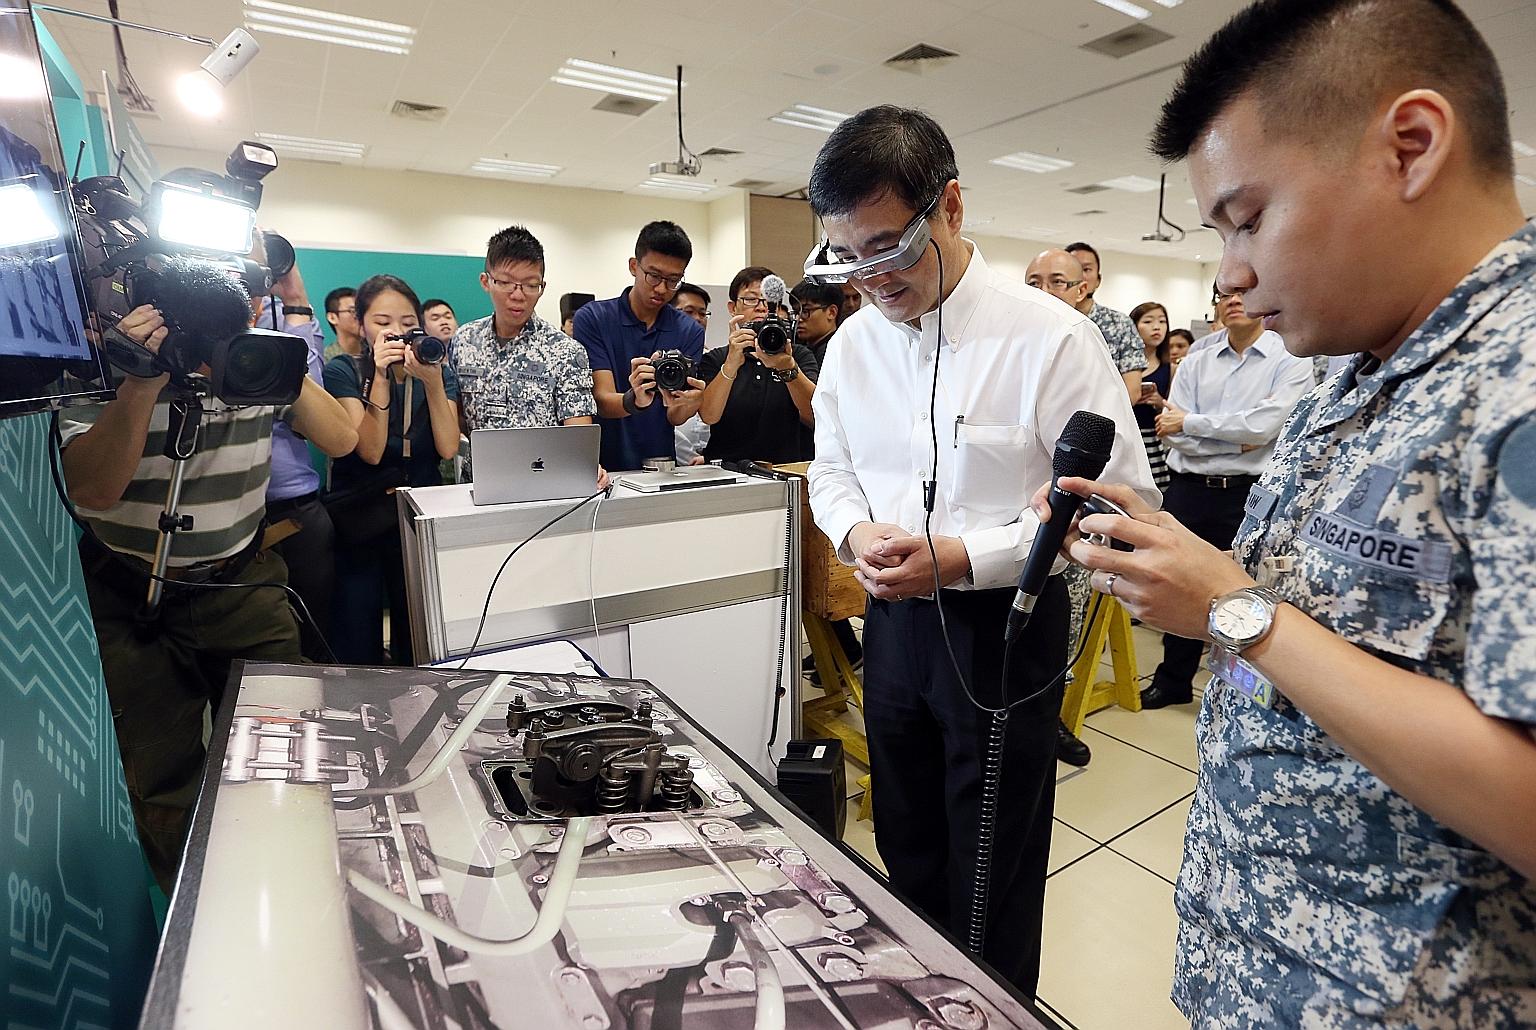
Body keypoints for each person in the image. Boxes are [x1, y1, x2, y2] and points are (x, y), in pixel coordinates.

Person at [1046, 0, 1536, 1024]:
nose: (1229, 273)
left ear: (1410, 146)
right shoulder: (1352, 366)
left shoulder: (1518, 379)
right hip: (1261, 966)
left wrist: (1237, 610)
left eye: (1248, 217)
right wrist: (1198, 581)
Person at [806, 105, 1157, 995]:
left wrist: (963, 555)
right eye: (848, 258)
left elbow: (1123, 506)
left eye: (888, 249)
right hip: (893, 629)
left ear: (950, 207)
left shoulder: (1050, 338)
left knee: (993, 866)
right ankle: (918, 999)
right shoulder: (852, 344)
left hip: (1006, 629)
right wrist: (854, 531)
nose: (870, 280)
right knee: (906, 837)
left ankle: (994, 1008)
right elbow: (831, 469)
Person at [62, 288, 356, 893]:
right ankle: (192, 908)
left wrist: (275, 364)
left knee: (285, 749)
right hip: (129, 590)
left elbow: (342, 440)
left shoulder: (262, 364)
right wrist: (140, 384)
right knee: (161, 775)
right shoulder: (103, 359)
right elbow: (92, 490)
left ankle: (292, 889)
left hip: (242, 585)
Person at [1141, 288, 1312, 708]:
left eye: (1242, 291)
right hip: (1190, 491)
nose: (1232, 298)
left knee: (1250, 593)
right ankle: (1173, 679)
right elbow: (1172, 429)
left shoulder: (1288, 355)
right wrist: (1236, 440)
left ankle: (1248, 689)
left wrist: (1195, 426)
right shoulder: (1198, 356)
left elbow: (1266, 427)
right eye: (1223, 292)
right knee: (1176, 582)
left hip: (1250, 496)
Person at [323, 274, 460, 666]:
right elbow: (368, 450)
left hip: (419, 516)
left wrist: (433, 382)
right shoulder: (343, 370)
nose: (395, 333)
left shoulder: (438, 371)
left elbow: (448, 447)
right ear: (361, 324)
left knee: (416, 633)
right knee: (357, 633)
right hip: (361, 517)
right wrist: (380, 378)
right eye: (382, 323)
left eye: (405, 323)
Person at [1022, 247, 1122, 767]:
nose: (1043, 290)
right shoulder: (1017, 337)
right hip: (1019, 514)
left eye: (1056, 280)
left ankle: (1052, 713)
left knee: (1063, 620)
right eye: (1032, 280)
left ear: (1084, 287)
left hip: (1076, 515)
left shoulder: (1097, 337)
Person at [448, 226, 602, 485]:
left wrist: (587, 466)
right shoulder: (464, 341)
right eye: (506, 283)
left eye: (531, 285)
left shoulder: (565, 351)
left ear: (542, 287)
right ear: (486, 282)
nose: (518, 295)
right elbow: (457, 416)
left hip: (542, 485)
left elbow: (578, 434)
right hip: (477, 485)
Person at [254, 238, 337, 660]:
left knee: (312, 637)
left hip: (297, 510)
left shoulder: (295, 324)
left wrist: (297, 303)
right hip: (236, 520)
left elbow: (314, 417)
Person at [573, 221, 706, 471]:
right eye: (654, 276)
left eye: (673, 280)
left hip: (660, 465)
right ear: (634, 266)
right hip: (603, 466)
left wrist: (689, 404)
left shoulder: (689, 331)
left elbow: (674, 416)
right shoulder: (594, 318)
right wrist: (635, 399)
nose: (662, 288)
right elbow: (600, 399)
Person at [696, 267, 819, 464]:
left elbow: (815, 416)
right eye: (751, 299)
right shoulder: (716, 358)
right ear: (732, 307)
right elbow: (709, 416)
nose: (761, 307)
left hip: (783, 471)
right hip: (727, 471)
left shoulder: (799, 355)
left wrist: (786, 366)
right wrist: (731, 364)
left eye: (768, 301)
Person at [1065, 241, 1144, 404]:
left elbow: (1132, 391)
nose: (1080, 276)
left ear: (1098, 280)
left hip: (1101, 421)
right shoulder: (1048, 321)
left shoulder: (1120, 324)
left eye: (1086, 269)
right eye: (1073, 269)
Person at [1129, 301, 1173, 492]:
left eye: (1162, 322)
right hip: (1126, 436)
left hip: (1154, 440)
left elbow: (1174, 409)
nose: (1156, 327)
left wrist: (1159, 403)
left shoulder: (1171, 368)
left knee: (1155, 493)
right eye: (1148, 321)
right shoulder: (1123, 365)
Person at [670, 283, 713, 463]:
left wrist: (711, 458)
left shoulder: (715, 359)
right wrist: (689, 457)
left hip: (713, 464)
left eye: (702, 313)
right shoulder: (659, 363)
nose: (697, 319)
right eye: (688, 312)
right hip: (672, 463)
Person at [790, 278, 845, 369]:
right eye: (796, 312)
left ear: (831, 312)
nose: (797, 319)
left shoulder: (836, 352)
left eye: (805, 311)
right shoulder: (804, 348)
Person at [323, 285, 360, 362]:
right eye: (353, 311)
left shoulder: (376, 353)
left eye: (361, 310)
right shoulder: (327, 360)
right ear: (332, 318)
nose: (360, 315)